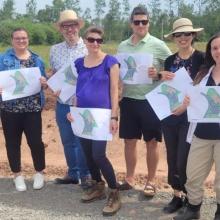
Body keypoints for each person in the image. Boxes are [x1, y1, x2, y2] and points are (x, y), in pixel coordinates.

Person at [117, 6, 171, 196]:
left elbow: (171, 71)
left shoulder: (158, 45)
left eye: (144, 22)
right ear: (131, 23)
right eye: (137, 21)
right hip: (129, 100)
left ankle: (150, 181)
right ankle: (130, 178)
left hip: (151, 101)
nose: (140, 25)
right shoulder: (122, 46)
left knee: (152, 142)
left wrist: (157, 74)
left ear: (149, 23)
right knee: (129, 141)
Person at [67, 26, 121, 216]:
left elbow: (115, 91)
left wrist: (114, 116)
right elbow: (75, 91)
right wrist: (72, 111)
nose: (95, 43)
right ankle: (98, 186)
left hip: (102, 117)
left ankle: (114, 192)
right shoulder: (78, 63)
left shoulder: (110, 62)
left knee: (99, 155)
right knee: (88, 154)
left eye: (99, 40)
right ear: (85, 40)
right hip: (82, 116)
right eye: (91, 40)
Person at [172, 32, 220, 220]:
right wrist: (185, 103)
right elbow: (193, 99)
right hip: (201, 135)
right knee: (193, 175)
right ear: (210, 51)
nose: (218, 51)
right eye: (214, 48)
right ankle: (193, 209)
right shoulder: (203, 73)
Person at [160, 18, 205, 213]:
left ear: (193, 35)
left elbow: (205, 88)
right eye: (179, 34)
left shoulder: (203, 59)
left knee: (183, 158)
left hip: (191, 117)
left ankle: (189, 197)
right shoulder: (169, 61)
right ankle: (176, 195)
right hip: (170, 115)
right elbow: (167, 88)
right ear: (174, 38)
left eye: (187, 34)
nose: (183, 38)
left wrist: (186, 106)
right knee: (171, 156)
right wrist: (162, 76)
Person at [0, 28, 47, 191]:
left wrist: (43, 81)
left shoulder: (37, 59)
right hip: (9, 110)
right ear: (12, 40)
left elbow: (44, 81)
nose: (21, 41)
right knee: (12, 143)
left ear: (28, 40)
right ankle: (17, 175)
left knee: (36, 142)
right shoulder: (3, 59)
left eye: (24, 38)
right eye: (17, 38)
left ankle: (40, 172)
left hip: (32, 109)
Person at [50, 10, 90, 186]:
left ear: (78, 27)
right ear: (61, 29)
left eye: (72, 25)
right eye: (65, 26)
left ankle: (86, 174)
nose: (69, 29)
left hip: (83, 104)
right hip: (62, 103)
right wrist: (54, 88)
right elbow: (54, 75)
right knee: (68, 140)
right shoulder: (54, 50)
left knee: (83, 140)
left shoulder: (88, 47)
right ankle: (73, 173)